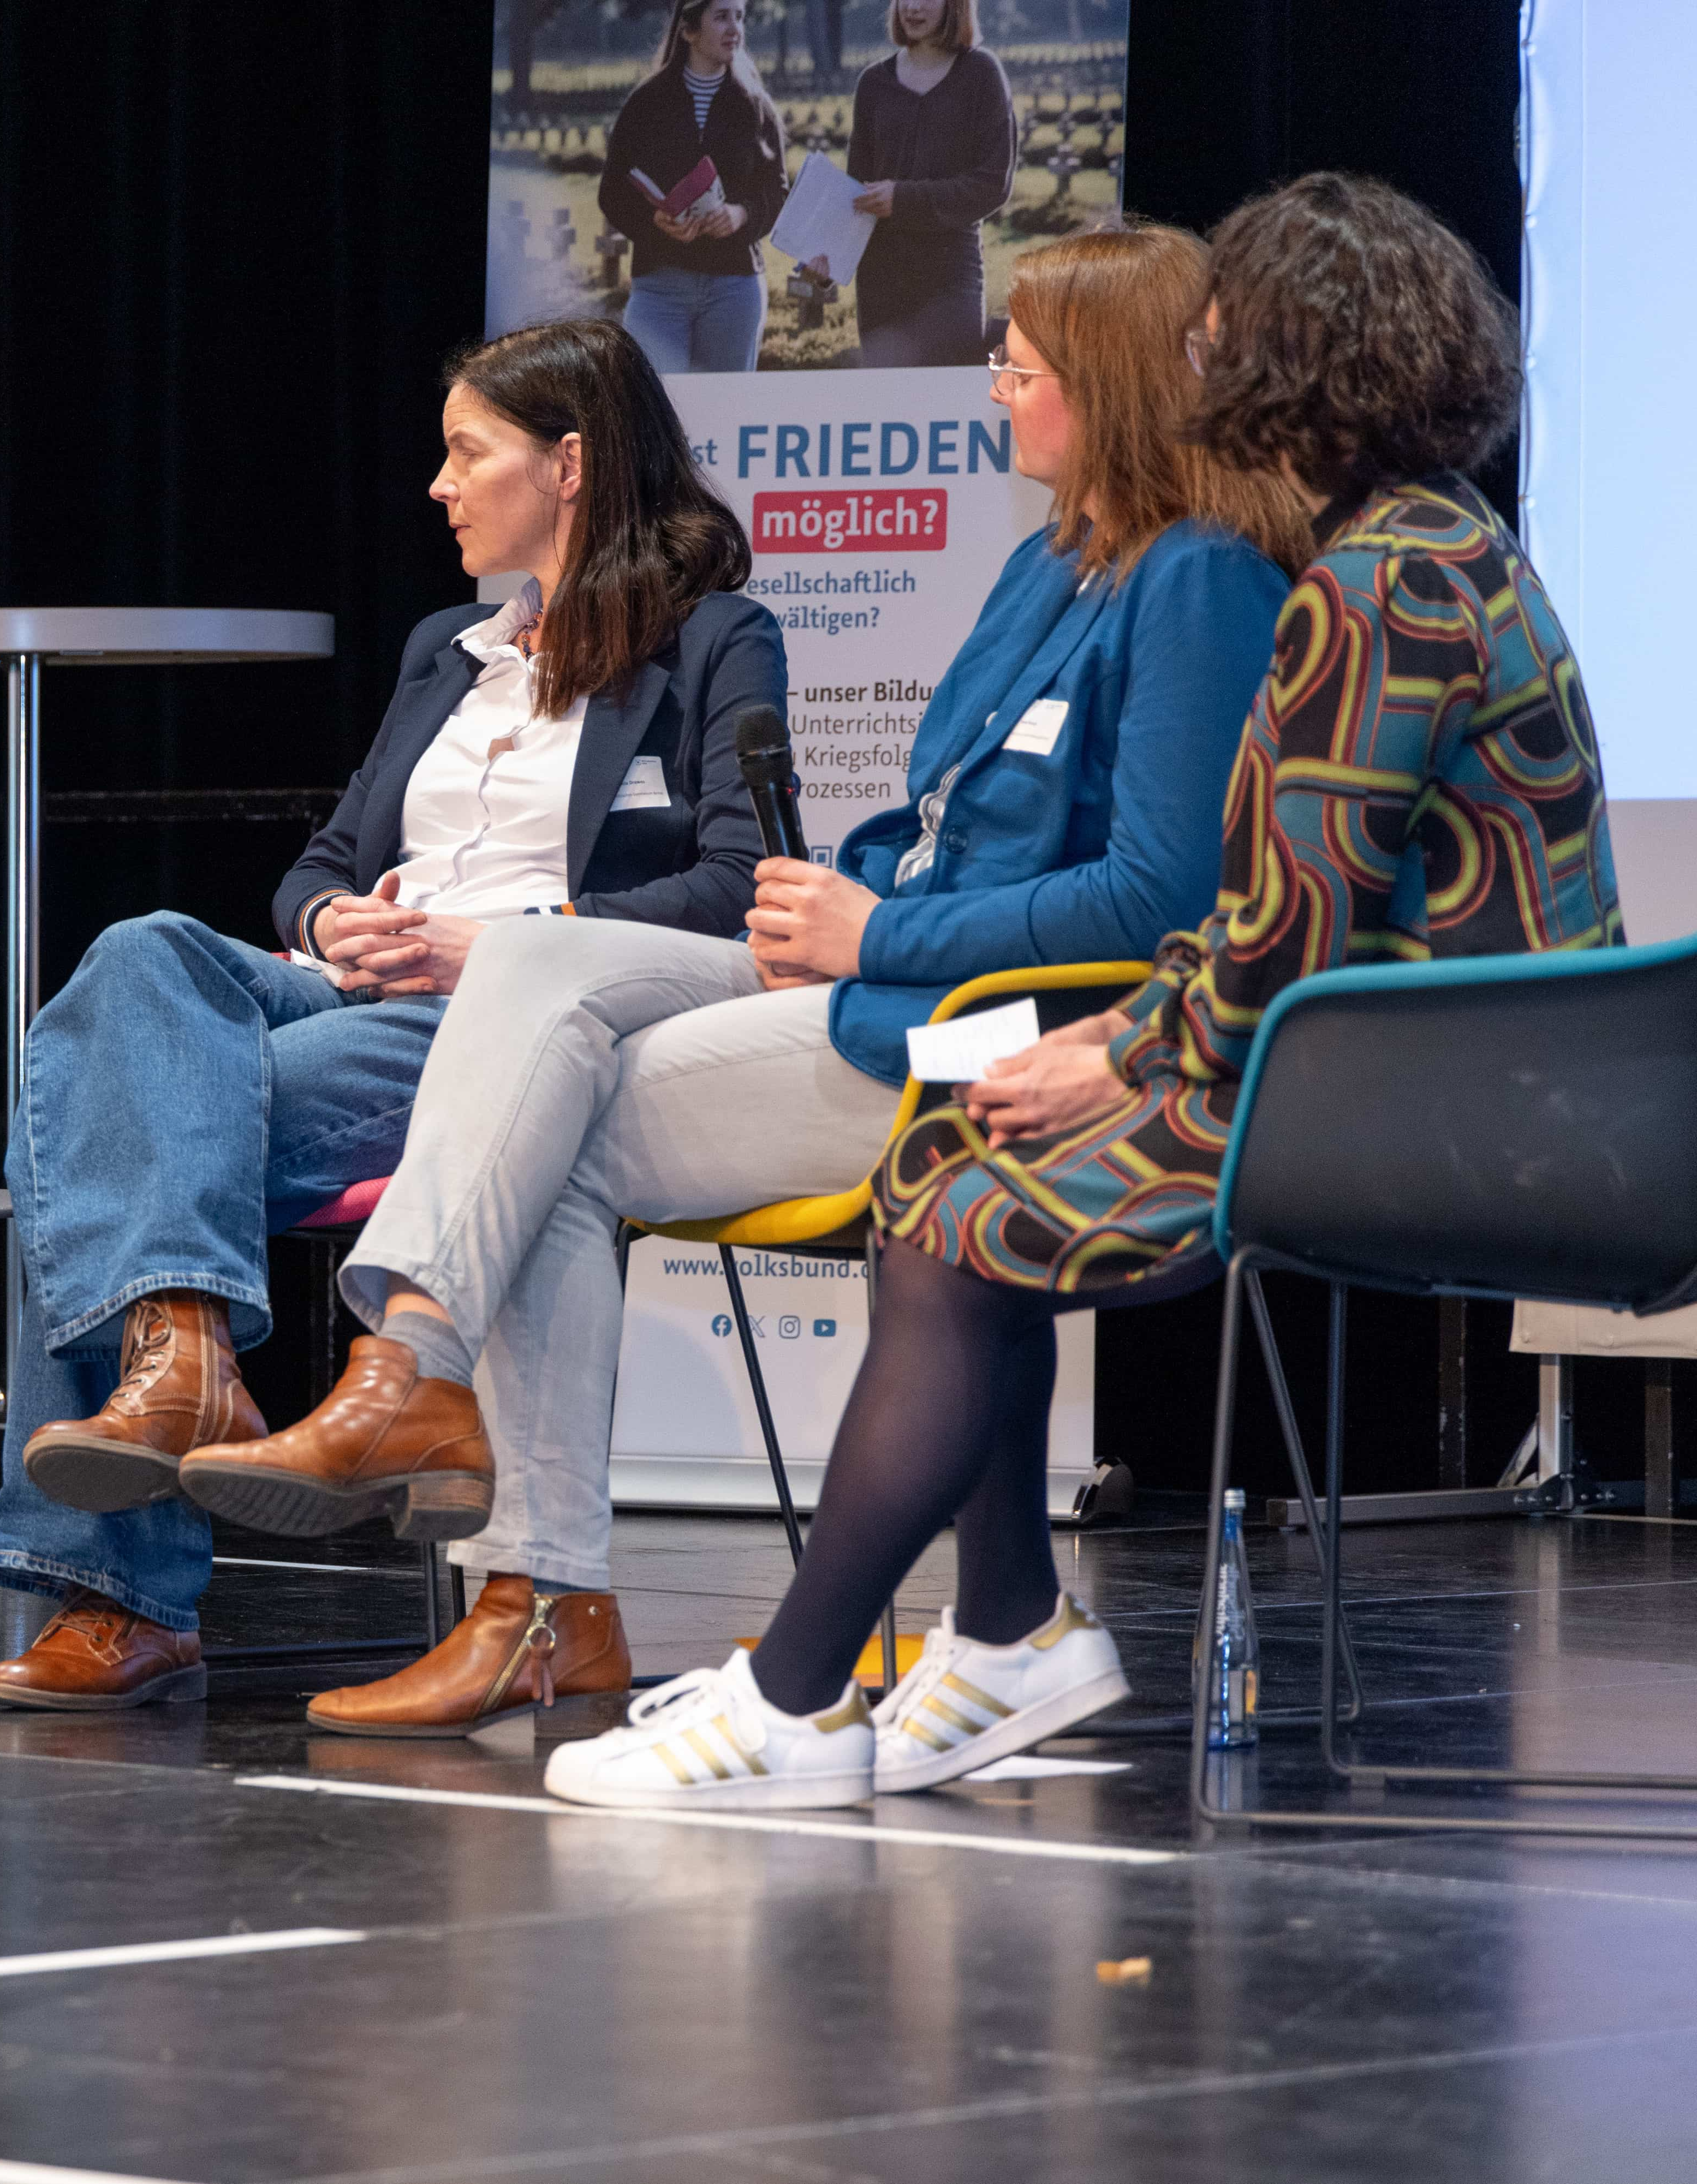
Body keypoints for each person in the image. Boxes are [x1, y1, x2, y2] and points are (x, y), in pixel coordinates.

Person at [547, 175, 1618, 1810]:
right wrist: (1119, 1043)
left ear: (1281, 363)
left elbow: (1274, 940)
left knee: (957, 1188)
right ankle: (991, 1637)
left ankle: (800, 1689)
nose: (1195, 361)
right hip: (1423, 1075)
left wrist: (1110, 1054)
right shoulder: (1436, 547)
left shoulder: (1369, 589)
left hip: (1427, 1114)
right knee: (955, 1158)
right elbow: (1285, 927)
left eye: (1219, 336)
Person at [195, 223, 1312, 1740]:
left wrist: (876, 935)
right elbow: (937, 822)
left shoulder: (1196, 582)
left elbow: (1164, 896)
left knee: (545, 1108)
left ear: (1102, 389)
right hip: (889, 984)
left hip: (1026, 1038)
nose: (994, 390)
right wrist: (830, 898)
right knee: (540, 1063)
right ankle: (517, 1555)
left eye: (1023, 367)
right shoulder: (1053, 565)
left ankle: (488, 1500)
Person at [0, 318, 784, 1710]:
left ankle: (130, 1583)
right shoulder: (443, 647)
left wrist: (505, 943)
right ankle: (181, 1364)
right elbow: (324, 862)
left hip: (502, 1022)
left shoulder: (713, 638)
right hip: (350, 987)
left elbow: (742, 885)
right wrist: (324, 922)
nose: (438, 484)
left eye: (468, 452)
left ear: (572, 463)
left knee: (85, 1137)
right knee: (137, 955)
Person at [822, 0, 1016, 369]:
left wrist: (903, 199)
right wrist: (824, 260)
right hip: (881, 285)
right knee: (888, 405)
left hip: (950, 283)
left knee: (943, 405)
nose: (912, 6)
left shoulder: (981, 73)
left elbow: (993, 183)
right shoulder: (873, 83)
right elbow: (856, 192)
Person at [602, 0, 788, 374]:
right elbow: (612, 193)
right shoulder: (646, 103)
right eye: (722, 17)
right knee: (654, 415)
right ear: (688, 31)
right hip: (660, 288)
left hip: (735, 289)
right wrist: (654, 220)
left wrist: (742, 215)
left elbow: (777, 189)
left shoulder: (755, 106)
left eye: (740, 17)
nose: (735, 28)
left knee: (725, 416)